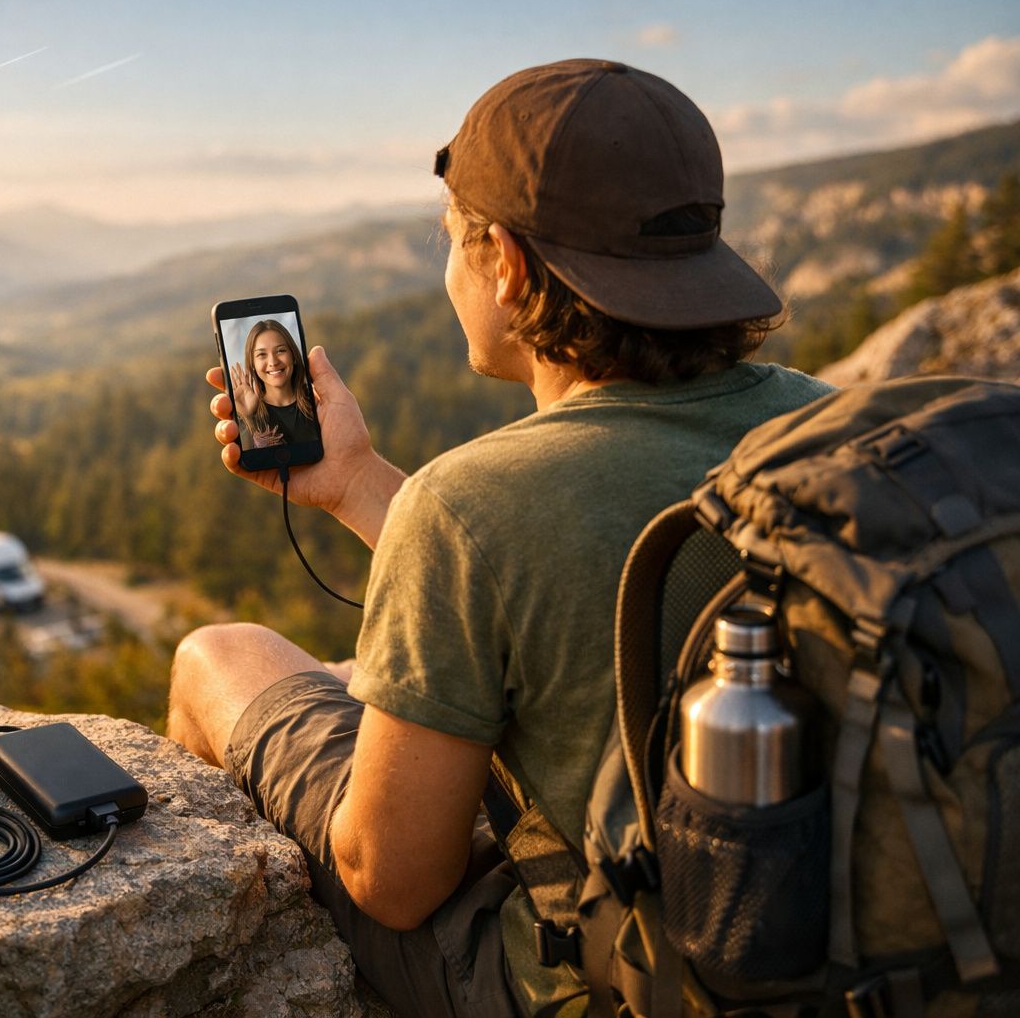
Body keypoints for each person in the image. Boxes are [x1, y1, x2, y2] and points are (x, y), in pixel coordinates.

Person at [166, 59, 834, 1017]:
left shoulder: (470, 507)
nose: (448, 271)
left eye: (452, 240)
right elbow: (552, 562)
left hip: (613, 981)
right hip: (829, 936)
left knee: (217, 655)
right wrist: (355, 481)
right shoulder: (828, 424)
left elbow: (391, 881)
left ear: (509, 265)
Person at [228, 318, 321, 449]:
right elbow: (248, 462)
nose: (273, 362)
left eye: (280, 351)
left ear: (293, 355)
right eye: (261, 354)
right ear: (252, 364)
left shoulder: (316, 400)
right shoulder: (249, 412)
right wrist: (248, 418)